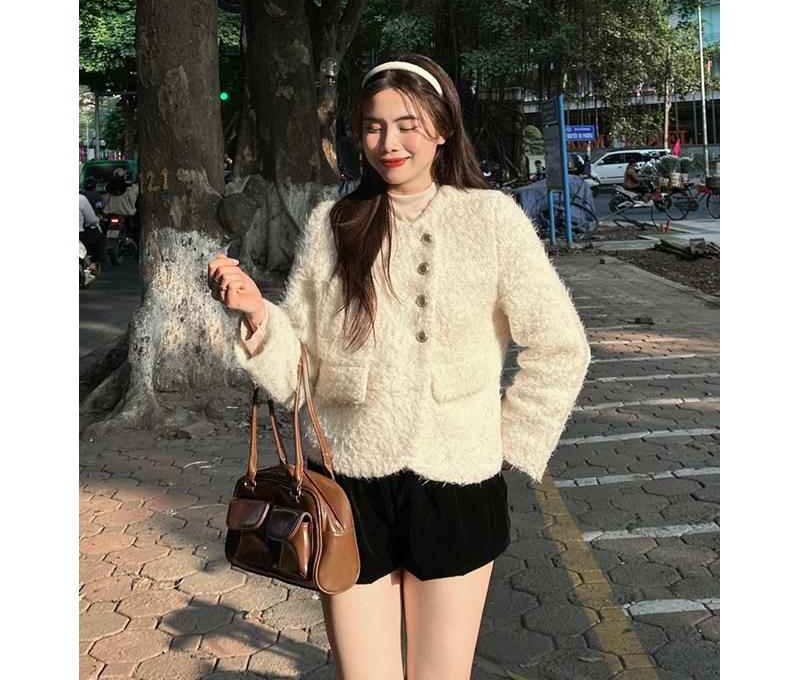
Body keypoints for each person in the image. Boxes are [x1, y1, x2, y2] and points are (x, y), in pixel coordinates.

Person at [207, 55, 590, 680]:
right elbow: (297, 375)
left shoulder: (492, 219)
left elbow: (561, 345)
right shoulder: (334, 224)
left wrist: (508, 443)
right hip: (346, 487)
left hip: (459, 487)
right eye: (373, 126)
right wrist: (256, 315)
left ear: (442, 129)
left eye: (408, 125)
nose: (390, 143)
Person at [79, 193, 105, 275]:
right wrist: (97, 219)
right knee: (101, 239)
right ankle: (93, 264)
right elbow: (91, 220)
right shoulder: (81, 199)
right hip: (80, 234)